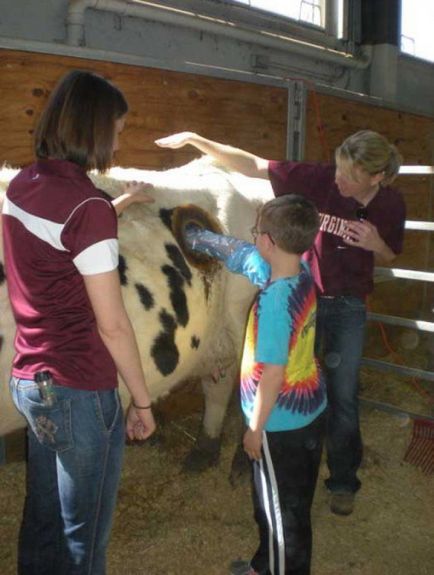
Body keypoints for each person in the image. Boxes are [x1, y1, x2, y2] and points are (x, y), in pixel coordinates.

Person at [156, 129, 406, 516]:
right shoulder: (319, 180)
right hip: (306, 296)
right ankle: (274, 449)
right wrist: (196, 140)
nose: (337, 181)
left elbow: (391, 255)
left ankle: (341, 480)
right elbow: (253, 164)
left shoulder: (390, 205)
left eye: (349, 177)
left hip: (347, 307)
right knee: (284, 377)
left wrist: (377, 245)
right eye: (338, 170)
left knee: (342, 395)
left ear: (375, 178)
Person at [2, 70, 156, 575]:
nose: (119, 137)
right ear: (94, 127)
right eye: (118, 126)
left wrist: (120, 204)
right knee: (82, 542)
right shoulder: (86, 206)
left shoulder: (25, 182)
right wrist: (142, 398)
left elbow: (59, 235)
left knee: (43, 520)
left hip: (30, 380)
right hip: (79, 392)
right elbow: (112, 326)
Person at [185, 194, 326, 575]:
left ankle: (279, 568)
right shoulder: (301, 274)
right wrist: (199, 238)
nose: (254, 238)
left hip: (278, 425)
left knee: (283, 517)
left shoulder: (274, 304)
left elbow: (273, 376)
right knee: (282, 504)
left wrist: (253, 429)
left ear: (269, 241)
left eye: (257, 231)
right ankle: (265, 564)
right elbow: (244, 256)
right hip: (308, 414)